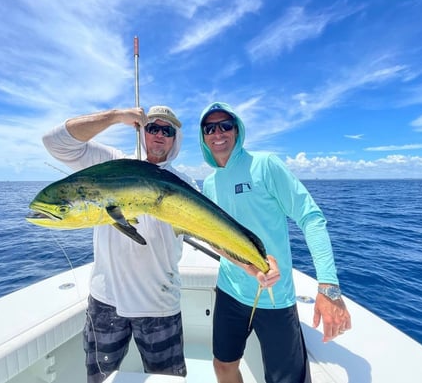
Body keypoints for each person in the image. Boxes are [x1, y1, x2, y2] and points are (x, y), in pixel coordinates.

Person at [198, 102, 352, 383]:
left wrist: (328, 287)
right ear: (203, 137)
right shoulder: (209, 185)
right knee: (223, 366)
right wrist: (247, 266)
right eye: (210, 128)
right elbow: (215, 240)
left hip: (275, 298)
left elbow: (311, 217)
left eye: (225, 125)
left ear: (237, 130)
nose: (218, 133)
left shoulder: (265, 165)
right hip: (230, 292)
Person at [43, 105, 197, 382]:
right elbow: (55, 143)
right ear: (142, 132)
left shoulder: (185, 184)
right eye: (152, 128)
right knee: (98, 379)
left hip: (159, 304)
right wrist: (115, 116)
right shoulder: (111, 164)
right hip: (105, 302)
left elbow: (213, 233)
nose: (159, 135)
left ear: (175, 139)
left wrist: (252, 265)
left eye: (167, 130)